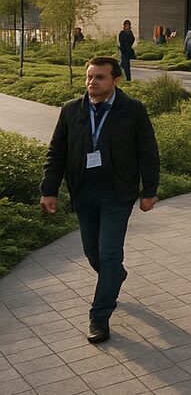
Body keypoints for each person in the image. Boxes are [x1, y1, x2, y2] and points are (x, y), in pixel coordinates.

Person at [40, 56, 159, 343]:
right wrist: (49, 189)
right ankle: (114, 275)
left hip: (117, 193)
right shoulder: (71, 110)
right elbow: (57, 152)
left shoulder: (133, 110)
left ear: (116, 80)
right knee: (93, 253)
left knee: (108, 253)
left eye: (100, 77)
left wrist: (149, 191)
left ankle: (100, 315)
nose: (92, 82)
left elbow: (148, 152)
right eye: (89, 76)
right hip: (84, 192)